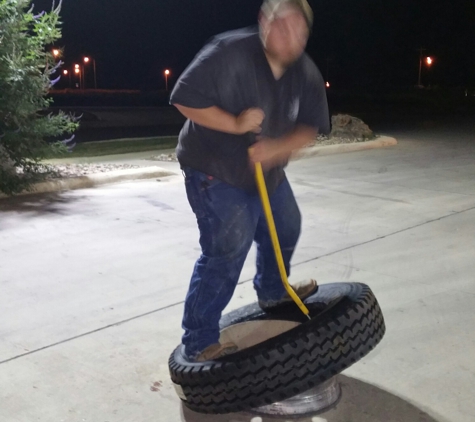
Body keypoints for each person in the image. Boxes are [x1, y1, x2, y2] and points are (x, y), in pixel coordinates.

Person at [170, 0, 330, 362]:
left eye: (297, 28)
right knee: (228, 246)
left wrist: (277, 148)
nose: (288, 35)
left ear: (306, 34)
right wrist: (235, 124)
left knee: (287, 225)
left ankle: (273, 291)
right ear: (263, 22)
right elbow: (183, 98)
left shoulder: (305, 73)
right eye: (280, 24)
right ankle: (198, 340)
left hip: (266, 171)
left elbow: (309, 128)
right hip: (212, 168)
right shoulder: (228, 52)